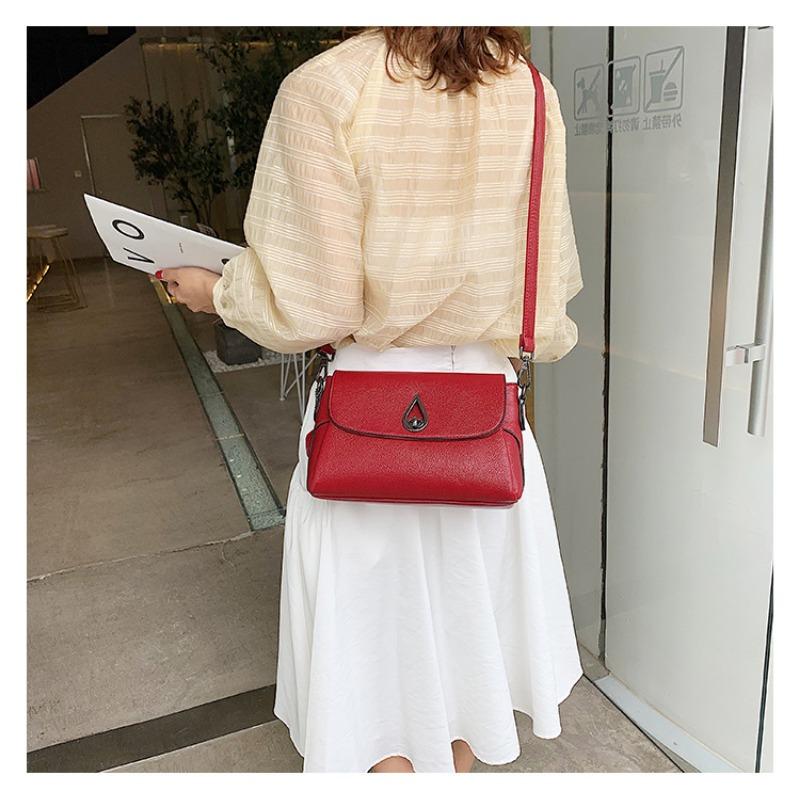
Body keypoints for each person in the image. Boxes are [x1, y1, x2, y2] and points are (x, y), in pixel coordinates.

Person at [159, 25, 584, 773]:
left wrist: (217, 291)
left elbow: (312, 303)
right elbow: (548, 281)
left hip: (366, 412)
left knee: (373, 657)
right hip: (484, 414)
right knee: (468, 645)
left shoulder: (328, 87)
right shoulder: (529, 91)